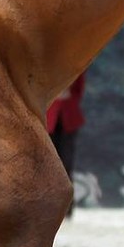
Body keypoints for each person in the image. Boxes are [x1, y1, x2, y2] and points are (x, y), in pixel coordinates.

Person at [46, 71, 86, 219]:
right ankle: (51, 206)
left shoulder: (76, 66)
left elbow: (78, 90)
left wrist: (67, 97)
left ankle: (67, 207)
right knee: (49, 166)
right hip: (50, 119)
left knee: (67, 163)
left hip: (68, 118)